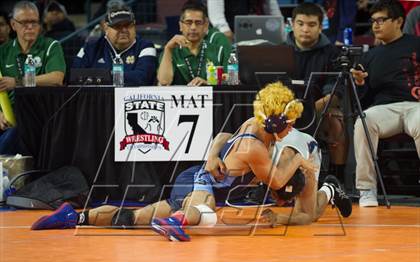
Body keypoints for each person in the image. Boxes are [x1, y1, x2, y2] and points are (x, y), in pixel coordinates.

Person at [31, 82, 352, 242]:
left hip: (198, 175)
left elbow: (222, 135)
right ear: (281, 119)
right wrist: (300, 162)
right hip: (202, 182)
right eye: (289, 122)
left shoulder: (253, 127)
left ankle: (77, 217)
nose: (291, 128)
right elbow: (279, 182)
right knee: (205, 211)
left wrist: (213, 155)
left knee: (136, 217)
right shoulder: (259, 146)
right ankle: (180, 221)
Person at [350, 0, 420, 207]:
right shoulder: (369, 56)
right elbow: (363, 99)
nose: (375, 25)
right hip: (384, 109)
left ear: (399, 21)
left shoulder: (416, 44)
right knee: (363, 121)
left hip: (416, 105)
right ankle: (366, 189)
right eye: (373, 21)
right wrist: (360, 83)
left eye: (381, 20)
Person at [287, 3, 348, 184]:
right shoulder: (279, 51)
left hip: (318, 110)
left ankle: (336, 180)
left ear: (321, 27)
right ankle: (266, 180)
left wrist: (309, 110)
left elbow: (335, 92)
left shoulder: (333, 53)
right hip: (284, 113)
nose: (305, 29)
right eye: (301, 23)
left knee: (336, 120)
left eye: (312, 25)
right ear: (292, 24)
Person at [0, 1, 66, 155]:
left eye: (34, 22)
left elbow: (56, 78)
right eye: (24, 22)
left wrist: (16, 82)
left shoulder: (51, 46)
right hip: (9, 117)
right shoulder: (3, 52)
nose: (30, 27)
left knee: (17, 133)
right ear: (13, 25)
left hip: (39, 116)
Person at [72, 4, 157, 86]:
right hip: (98, 98)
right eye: (117, 26)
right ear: (106, 28)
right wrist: (113, 77)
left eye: (128, 25)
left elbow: (143, 78)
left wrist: (103, 76)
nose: (124, 30)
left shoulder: (146, 46)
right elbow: (75, 75)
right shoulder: (91, 47)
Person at [157, 1, 231, 86]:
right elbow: (164, 82)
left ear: (206, 25)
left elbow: (231, 80)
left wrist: (208, 84)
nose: (193, 27)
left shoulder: (219, 51)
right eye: (188, 22)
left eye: (198, 23)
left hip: (212, 98)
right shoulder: (171, 51)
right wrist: (168, 49)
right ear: (180, 25)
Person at [207, 0, 285, 43]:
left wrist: (281, 30)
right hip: (229, 34)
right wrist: (225, 32)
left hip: (257, 34)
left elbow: (275, 14)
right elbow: (216, 17)